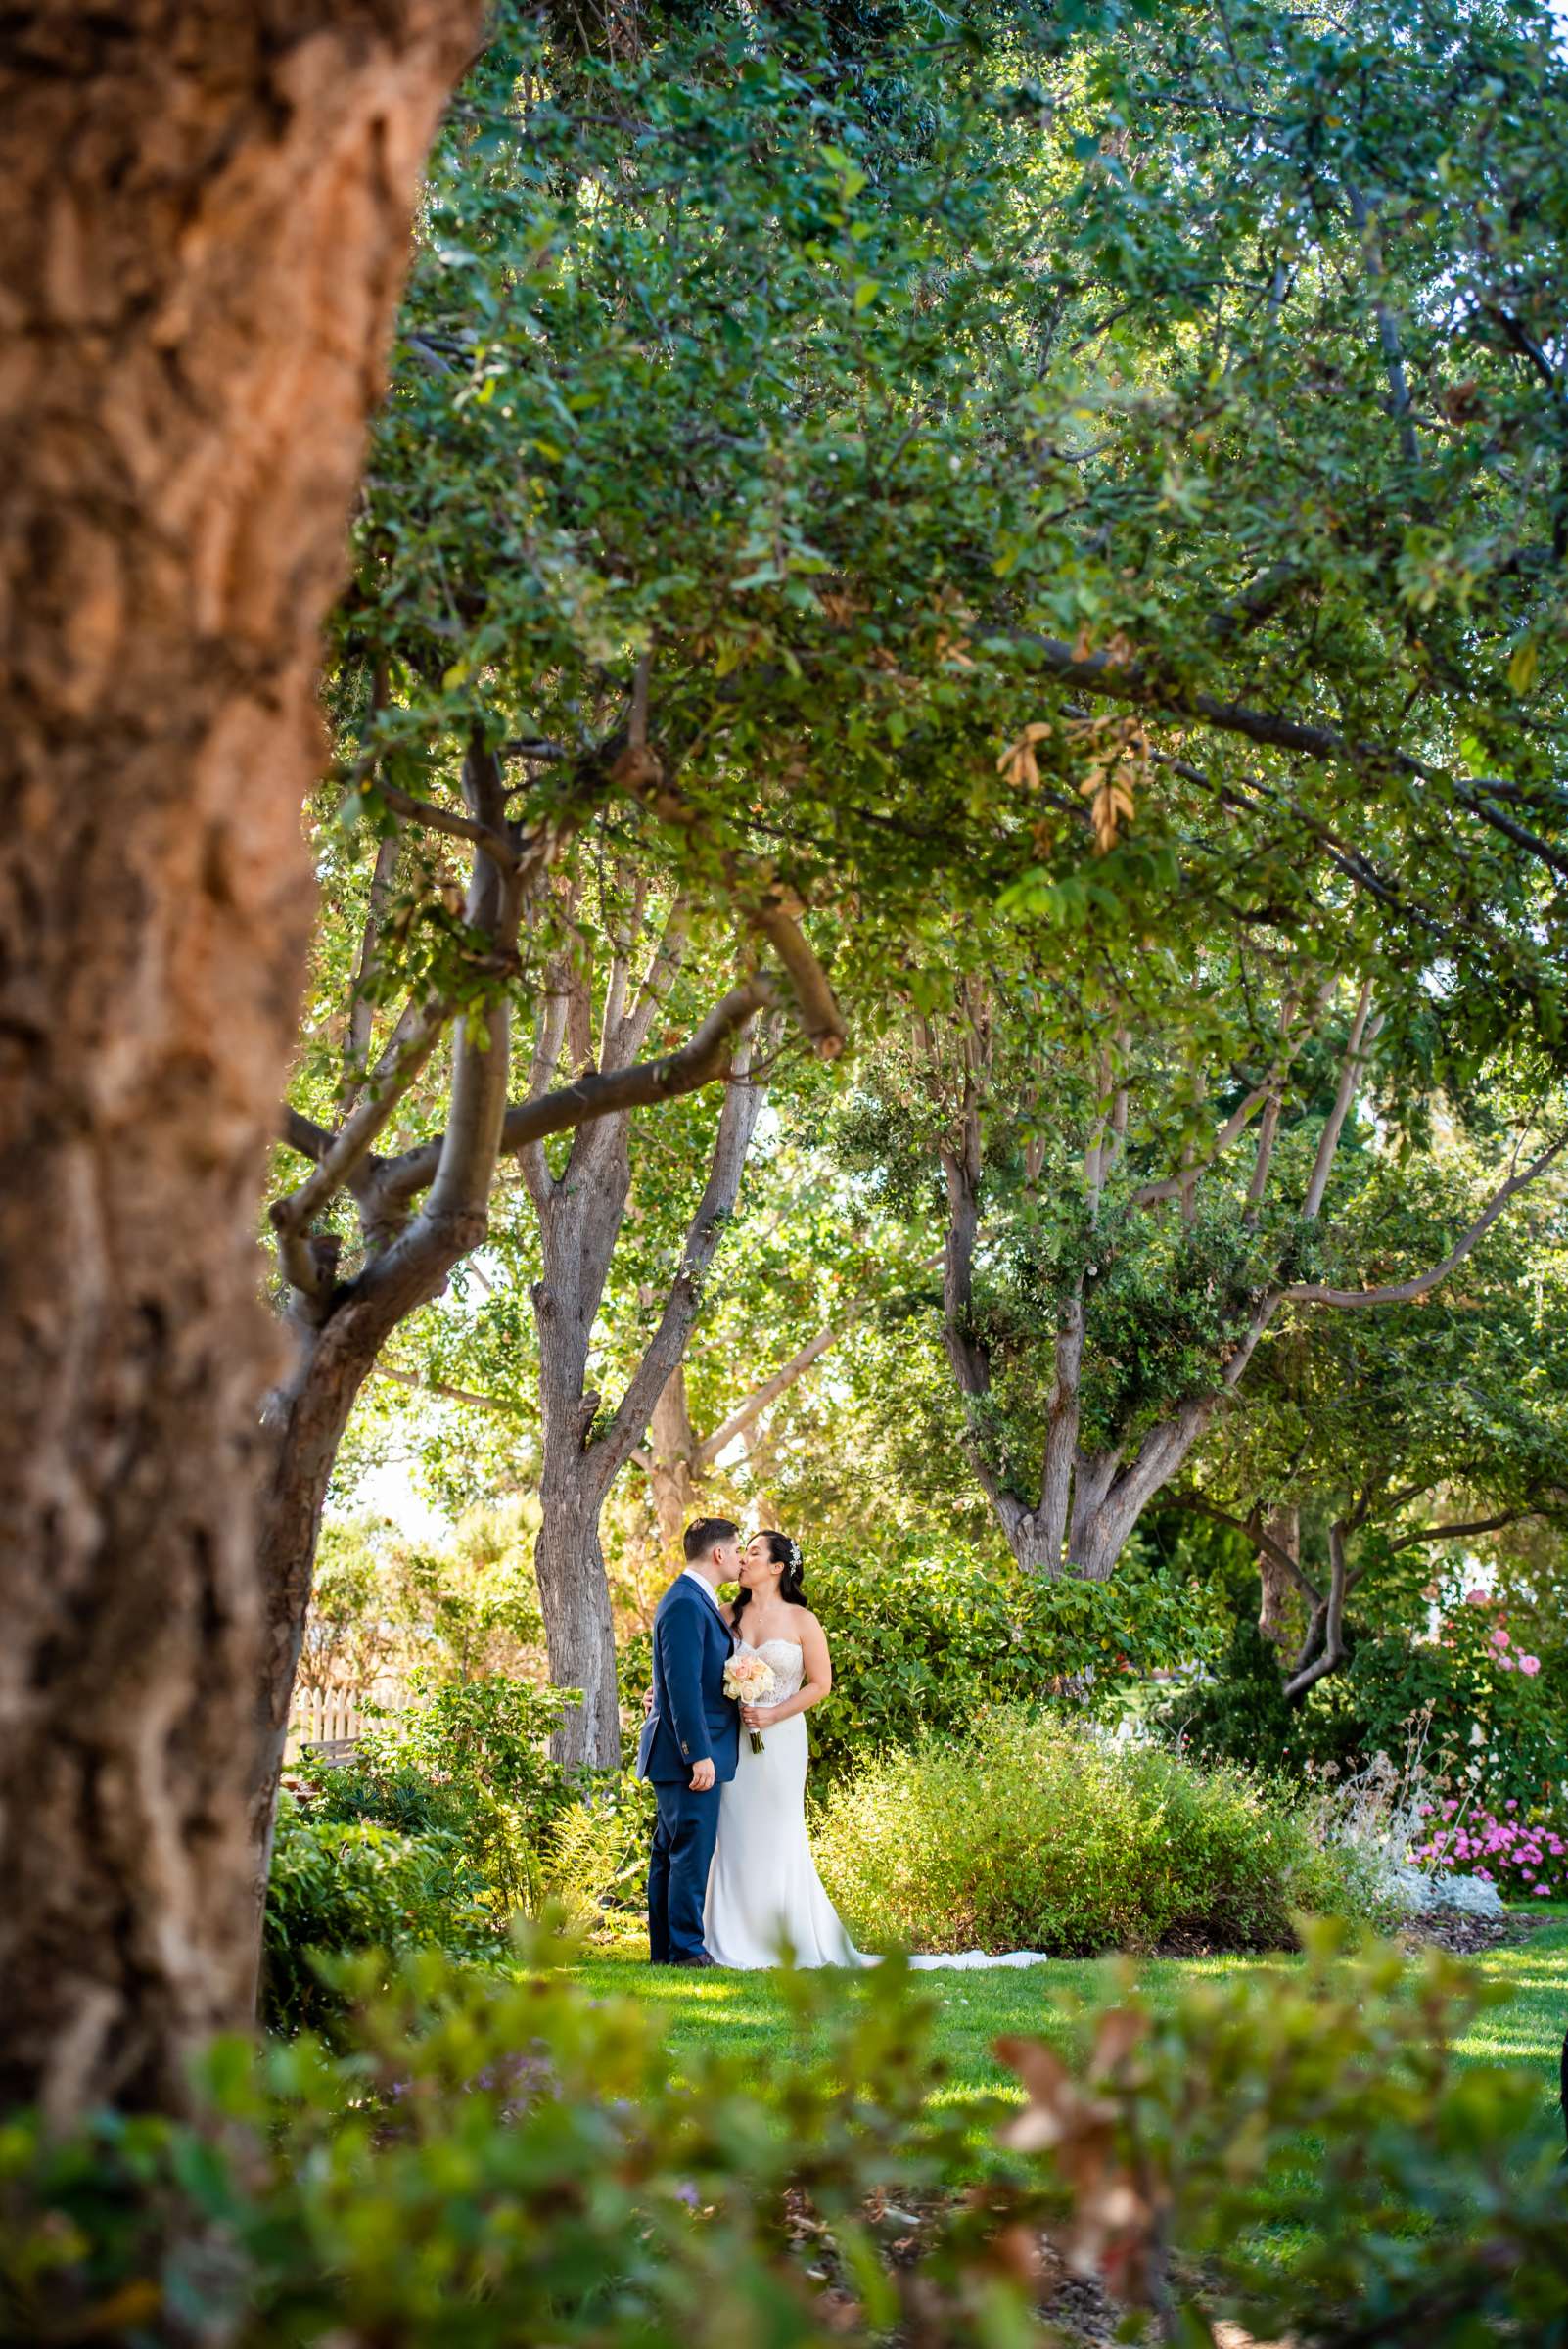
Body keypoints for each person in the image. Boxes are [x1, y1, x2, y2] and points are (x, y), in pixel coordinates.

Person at [703, 1528, 864, 1969]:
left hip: (782, 1740)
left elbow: (821, 1684)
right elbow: (695, 1670)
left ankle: (785, 1938)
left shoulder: (801, 1621)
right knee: (732, 1832)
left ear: (777, 1567)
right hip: (733, 1740)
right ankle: (728, 1935)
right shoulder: (724, 1614)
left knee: (776, 1832)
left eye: (753, 1553)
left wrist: (774, 1715)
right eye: (744, 1552)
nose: (744, 1559)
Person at [637, 1516, 741, 1967]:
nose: (740, 1558)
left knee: (671, 1851)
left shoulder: (694, 1599)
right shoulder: (685, 1603)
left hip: (681, 1751)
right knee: (688, 1853)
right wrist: (697, 1754)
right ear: (718, 1554)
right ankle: (685, 1951)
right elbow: (681, 1687)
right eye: (737, 1551)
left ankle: (667, 1950)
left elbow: (683, 1677)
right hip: (686, 1755)